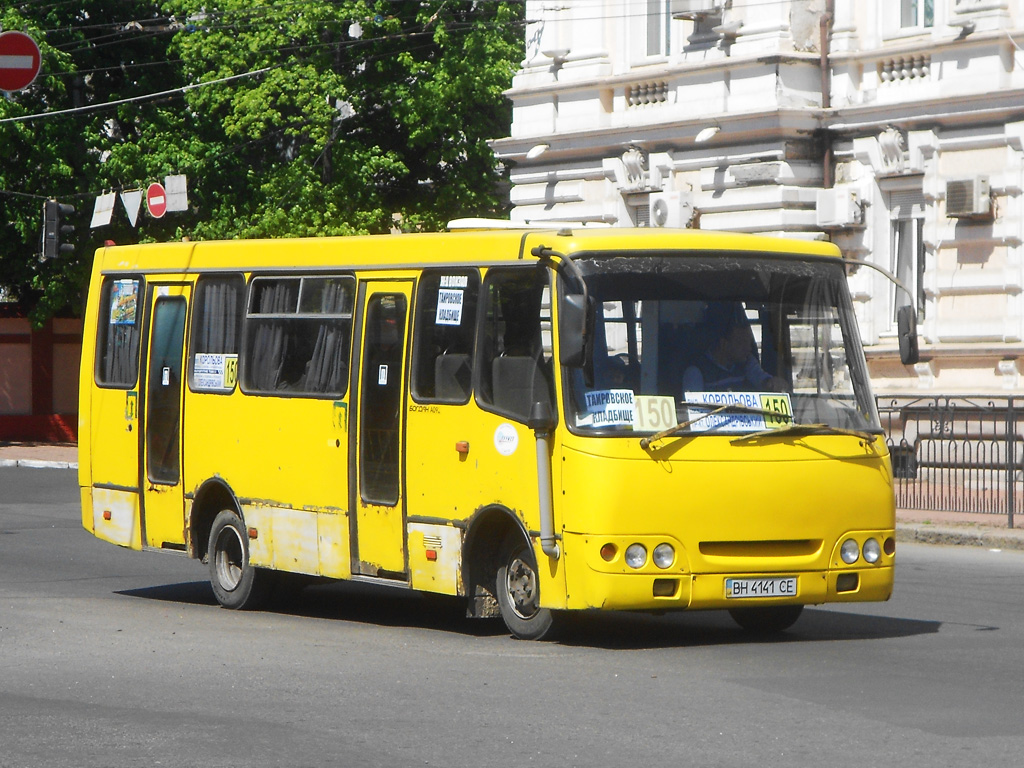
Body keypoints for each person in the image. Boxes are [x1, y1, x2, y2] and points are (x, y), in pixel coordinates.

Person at [682, 302, 785, 392]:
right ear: (724, 344)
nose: (748, 348)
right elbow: (692, 409)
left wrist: (771, 383)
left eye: (749, 343)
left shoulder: (747, 363)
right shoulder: (696, 372)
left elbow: (761, 379)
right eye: (741, 343)